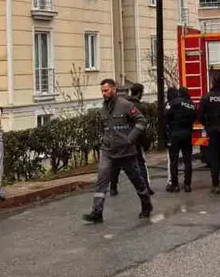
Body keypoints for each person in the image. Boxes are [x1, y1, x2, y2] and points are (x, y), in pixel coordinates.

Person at [83, 79, 153, 223]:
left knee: (137, 180)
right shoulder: (103, 109)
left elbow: (141, 121)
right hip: (108, 151)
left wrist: (131, 138)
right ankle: (97, 212)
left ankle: (146, 205)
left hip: (126, 151)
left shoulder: (126, 105)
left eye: (106, 90)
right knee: (101, 180)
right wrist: (103, 140)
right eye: (102, 91)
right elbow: (103, 128)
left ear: (113, 89)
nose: (104, 93)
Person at [111, 83, 152, 196]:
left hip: (121, 138)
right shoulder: (139, 107)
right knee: (140, 163)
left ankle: (113, 187)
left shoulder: (122, 104)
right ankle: (146, 187)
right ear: (139, 93)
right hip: (135, 139)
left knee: (117, 163)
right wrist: (145, 142)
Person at [164, 86, 197, 192]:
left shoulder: (174, 102)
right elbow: (195, 117)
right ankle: (187, 184)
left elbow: (166, 115)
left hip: (175, 134)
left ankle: (175, 185)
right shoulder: (191, 105)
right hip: (187, 134)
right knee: (188, 160)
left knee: (174, 161)